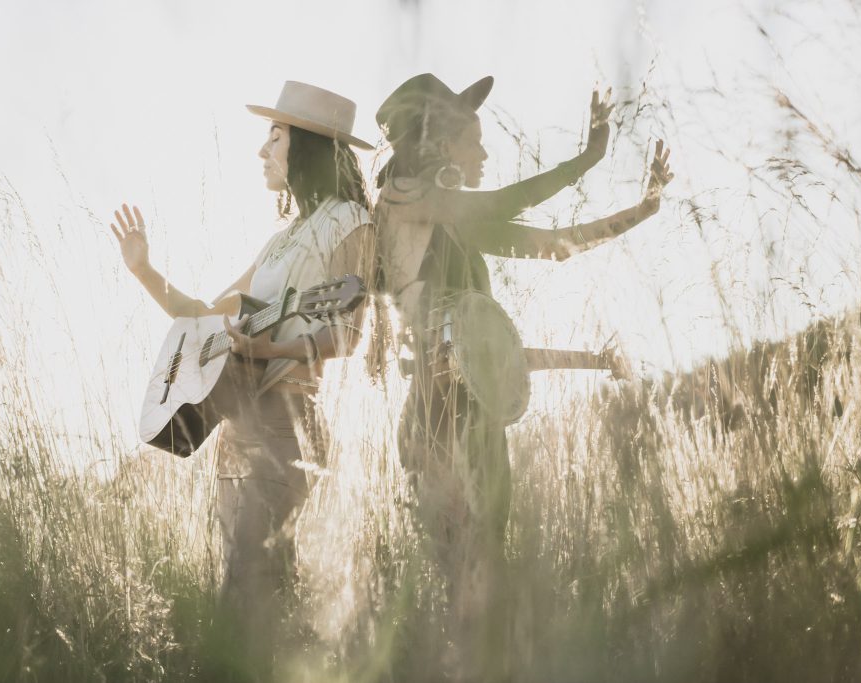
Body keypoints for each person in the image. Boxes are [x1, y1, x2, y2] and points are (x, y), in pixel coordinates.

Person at [373, 73, 673, 682]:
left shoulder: (456, 222)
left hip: (479, 428)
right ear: (434, 141)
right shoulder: (401, 201)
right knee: (471, 590)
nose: (483, 155)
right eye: (472, 142)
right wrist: (587, 158)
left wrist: (643, 210)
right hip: (438, 424)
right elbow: (512, 201)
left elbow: (557, 244)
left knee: (486, 591)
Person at [110, 80, 375, 682]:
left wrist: (271, 346)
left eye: (275, 136)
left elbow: (349, 334)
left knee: (245, 587)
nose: (263, 150)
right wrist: (144, 270)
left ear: (306, 146)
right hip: (238, 430)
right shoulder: (280, 241)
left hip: (288, 428)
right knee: (262, 585)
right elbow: (206, 316)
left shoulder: (350, 221)